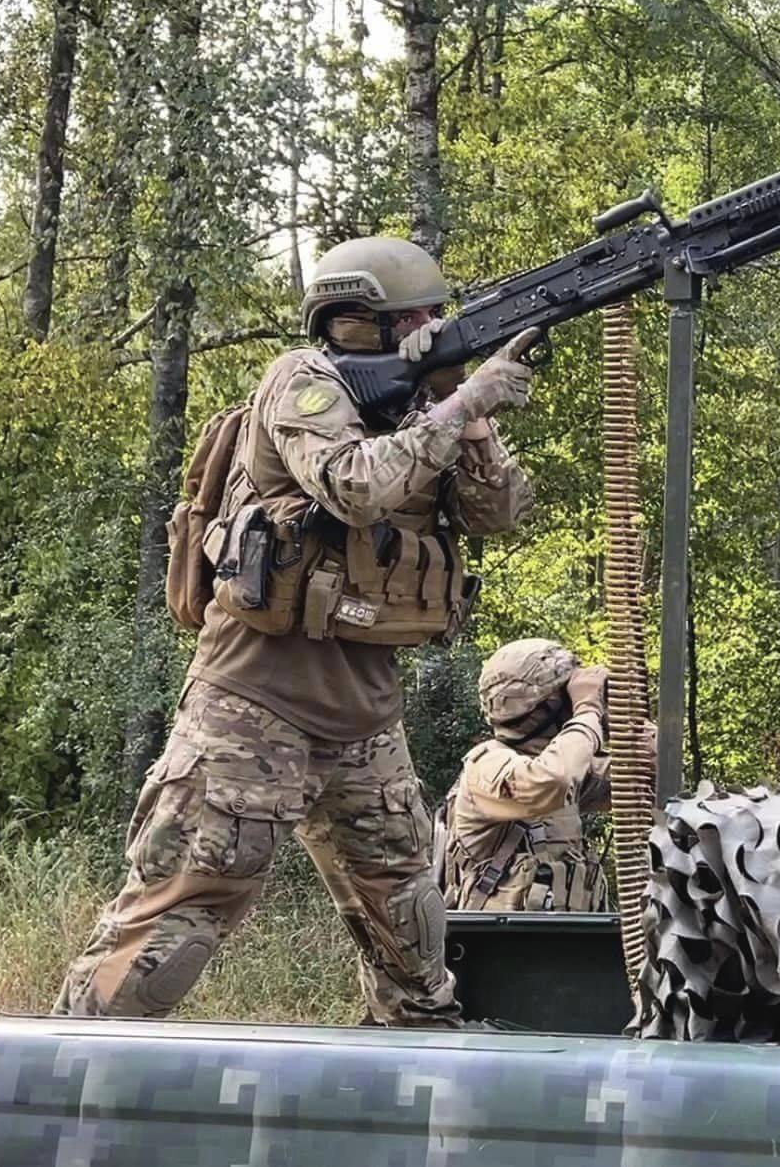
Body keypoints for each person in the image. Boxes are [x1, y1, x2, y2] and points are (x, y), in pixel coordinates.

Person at [55, 236, 539, 1026]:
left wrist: (473, 420)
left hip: (365, 720)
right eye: (411, 315)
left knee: (411, 935)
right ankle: (57, 1079)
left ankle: (413, 1099)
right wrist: (459, 407)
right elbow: (354, 486)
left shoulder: (427, 404)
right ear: (357, 322)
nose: (429, 325)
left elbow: (501, 516)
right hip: (252, 708)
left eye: (433, 316)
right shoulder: (301, 381)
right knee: (176, 920)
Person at [440, 639, 652, 912]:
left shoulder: (565, 765)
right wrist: (587, 712)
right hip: (496, 946)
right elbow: (551, 781)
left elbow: (648, 781)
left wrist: (623, 720)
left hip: (567, 944)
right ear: (550, 705)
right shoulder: (487, 764)